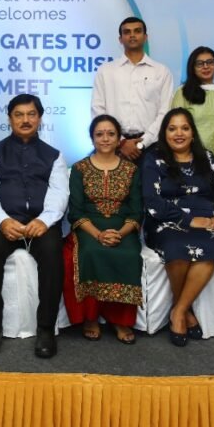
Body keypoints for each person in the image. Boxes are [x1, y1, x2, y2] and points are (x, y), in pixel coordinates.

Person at [0, 94, 68, 359]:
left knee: (52, 252)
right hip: (5, 221)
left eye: (31, 114)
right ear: (9, 119)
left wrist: (44, 220)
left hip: (41, 222)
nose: (25, 120)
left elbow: (59, 193)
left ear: (39, 118)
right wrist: (3, 220)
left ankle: (46, 329)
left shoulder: (54, 156)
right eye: (19, 115)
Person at [142, 108, 214, 346]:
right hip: (165, 222)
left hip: (206, 222)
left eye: (184, 128)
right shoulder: (154, 159)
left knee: (211, 247)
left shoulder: (208, 159)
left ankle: (179, 310)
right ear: (164, 133)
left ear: (193, 133)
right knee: (176, 248)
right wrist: (188, 220)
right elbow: (152, 201)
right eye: (172, 129)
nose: (179, 133)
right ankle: (185, 311)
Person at [64, 115, 143, 345]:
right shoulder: (79, 168)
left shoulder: (131, 170)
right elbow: (76, 211)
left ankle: (120, 320)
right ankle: (90, 318)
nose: (105, 139)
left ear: (119, 139)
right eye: (99, 134)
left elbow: (136, 211)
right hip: (89, 227)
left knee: (129, 254)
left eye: (111, 134)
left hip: (123, 227)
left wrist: (121, 233)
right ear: (92, 138)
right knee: (89, 251)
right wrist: (98, 234)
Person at [91, 17, 174, 162]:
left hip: (152, 147)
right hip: (114, 147)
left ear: (145, 37)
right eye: (127, 32)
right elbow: (98, 109)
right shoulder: (106, 71)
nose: (132, 35)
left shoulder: (161, 71)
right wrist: (121, 142)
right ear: (120, 39)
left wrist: (143, 143)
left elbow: (165, 112)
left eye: (137, 31)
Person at [171, 46, 214, 167]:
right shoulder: (182, 92)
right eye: (200, 64)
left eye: (210, 62)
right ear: (192, 67)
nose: (206, 66)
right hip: (188, 162)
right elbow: (175, 130)